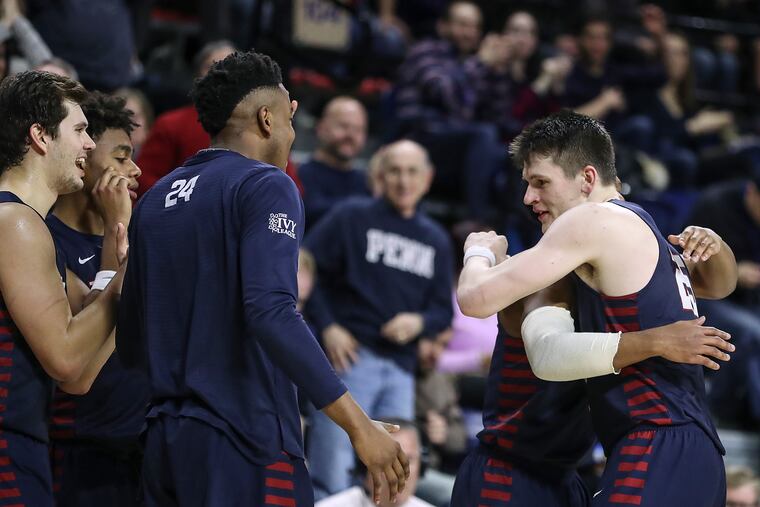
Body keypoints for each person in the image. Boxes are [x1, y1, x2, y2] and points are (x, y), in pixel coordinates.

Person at [116, 50, 409, 507]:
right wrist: (358, 425)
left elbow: (131, 342)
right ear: (267, 119)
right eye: (290, 115)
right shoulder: (266, 184)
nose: (295, 131)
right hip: (243, 440)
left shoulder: (154, 200)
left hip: (163, 443)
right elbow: (271, 311)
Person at [456, 110, 737, 506]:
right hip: (688, 449)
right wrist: (717, 247)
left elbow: (474, 298)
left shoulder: (591, 221)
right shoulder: (641, 229)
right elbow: (718, 284)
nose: (527, 198)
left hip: (655, 441)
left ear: (588, 179)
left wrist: (479, 251)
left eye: (540, 182)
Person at [0, 71, 127, 505]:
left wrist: (115, 250)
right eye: (79, 130)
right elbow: (68, 358)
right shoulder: (15, 223)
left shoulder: (27, 227)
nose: (90, 145)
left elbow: (81, 376)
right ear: (40, 136)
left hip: (25, 445)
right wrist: (131, 271)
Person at [304, 140, 454, 500]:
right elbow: (307, 270)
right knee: (333, 468)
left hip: (401, 372)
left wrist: (419, 323)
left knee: (394, 472)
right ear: (380, 176)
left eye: (412, 171)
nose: (404, 180)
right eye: (395, 171)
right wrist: (329, 327)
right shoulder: (351, 216)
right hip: (350, 361)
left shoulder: (436, 239)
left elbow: (442, 311)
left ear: (427, 178)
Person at [47, 91, 148, 507]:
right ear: (81, 155)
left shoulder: (145, 232)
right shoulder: (43, 236)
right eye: (122, 157)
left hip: (142, 441)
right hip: (79, 444)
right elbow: (85, 337)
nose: (136, 170)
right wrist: (116, 230)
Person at [298, 96, 370, 229]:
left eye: (358, 129)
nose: (350, 135)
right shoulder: (300, 174)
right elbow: (311, 212)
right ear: (321, 128)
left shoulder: (367, 182)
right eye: (344, 126)